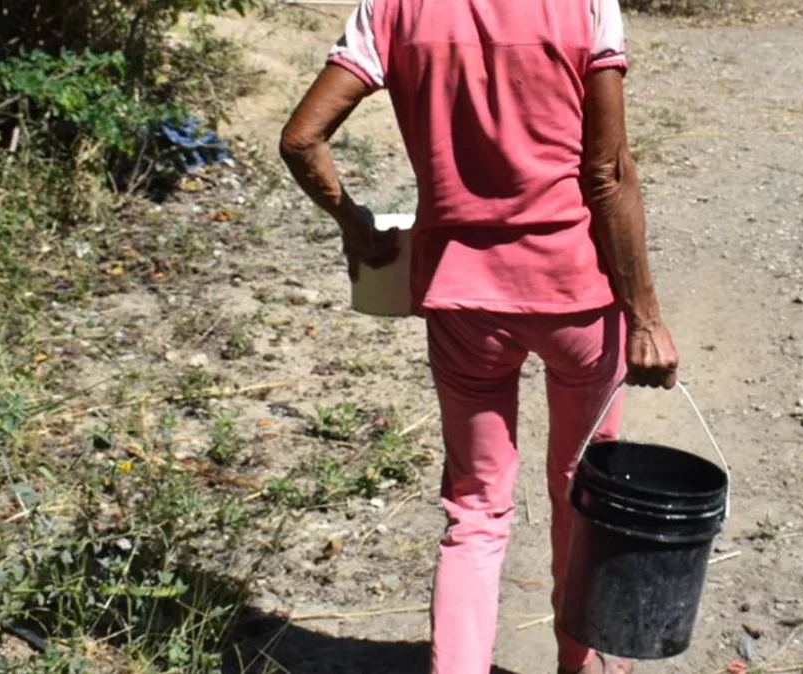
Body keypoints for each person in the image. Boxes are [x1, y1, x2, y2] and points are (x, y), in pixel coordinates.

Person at [279, 0, 680, 670]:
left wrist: (355, 224)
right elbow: (607, 172)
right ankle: (580, 664)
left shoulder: (392, 8)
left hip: (462, 301)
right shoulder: (587, 5)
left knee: (475, 510)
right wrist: (645, 317)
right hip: (577, 297)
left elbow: (300, 139)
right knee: (584, 490)